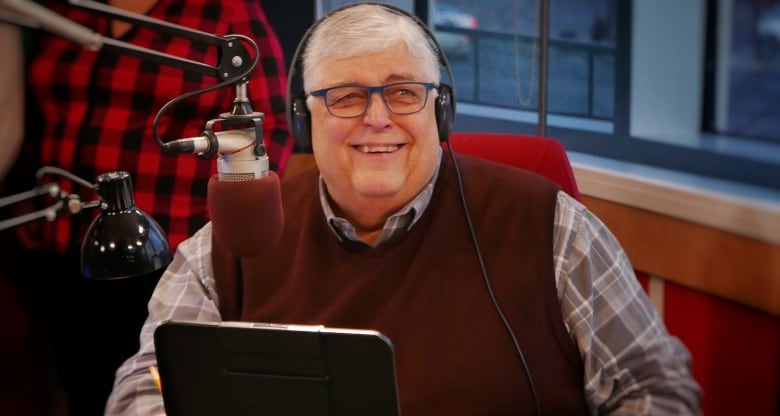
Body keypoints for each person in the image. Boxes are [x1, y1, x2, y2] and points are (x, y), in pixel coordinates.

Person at [106, 3, 701, 415]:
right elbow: (144, 383)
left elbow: (655, 388)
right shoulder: (236, 236)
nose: (377, 118)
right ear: (302, 121)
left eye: (403, 91)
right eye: (344, 97)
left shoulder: (551, 227)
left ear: (439, 111)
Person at [5, 0, 293, 414]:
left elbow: (271, 131)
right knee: (84, 389)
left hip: (169, 251)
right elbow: (35, 110)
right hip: (71, 241)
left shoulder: (222, 11)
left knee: (169, 391)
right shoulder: (67, 9)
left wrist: (226, 230)